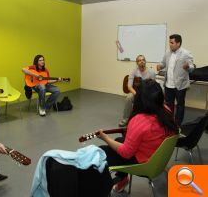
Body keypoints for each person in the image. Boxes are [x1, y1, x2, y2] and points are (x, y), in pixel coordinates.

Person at [43, 80, 178, 195]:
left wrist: (105, 138)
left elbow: (126, 153)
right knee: (120, 140)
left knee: (99, 154)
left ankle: (103, 189)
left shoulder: (139, 120)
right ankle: (122, 179)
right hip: (157, 158)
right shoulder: (166, 110)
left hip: (144, 162)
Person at [157, 34, 194, 126]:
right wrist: (160, 66)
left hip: (180, 85)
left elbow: (192, 67)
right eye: (169, 42)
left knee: (180, 105)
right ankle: (169, 122)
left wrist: (188, 66)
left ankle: (177, 124)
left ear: (178, 43)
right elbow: (163, 63)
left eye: (172, 42)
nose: (170, 44)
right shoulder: (167, 52)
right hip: (168, 84)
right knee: (169, 105)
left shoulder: (186, 53)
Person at [119, 55, 156, 127]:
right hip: (136, 92)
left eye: (143, 60)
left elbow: (153, 86)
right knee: (129, 98)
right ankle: (125, 119)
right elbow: (129, 86)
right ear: (137, 63)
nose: (142, 61)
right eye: (139, 60)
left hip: (147, 92)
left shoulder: (151, 72)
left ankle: (149, 119)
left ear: (145, 61)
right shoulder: (134, 72)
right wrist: (136, 94)